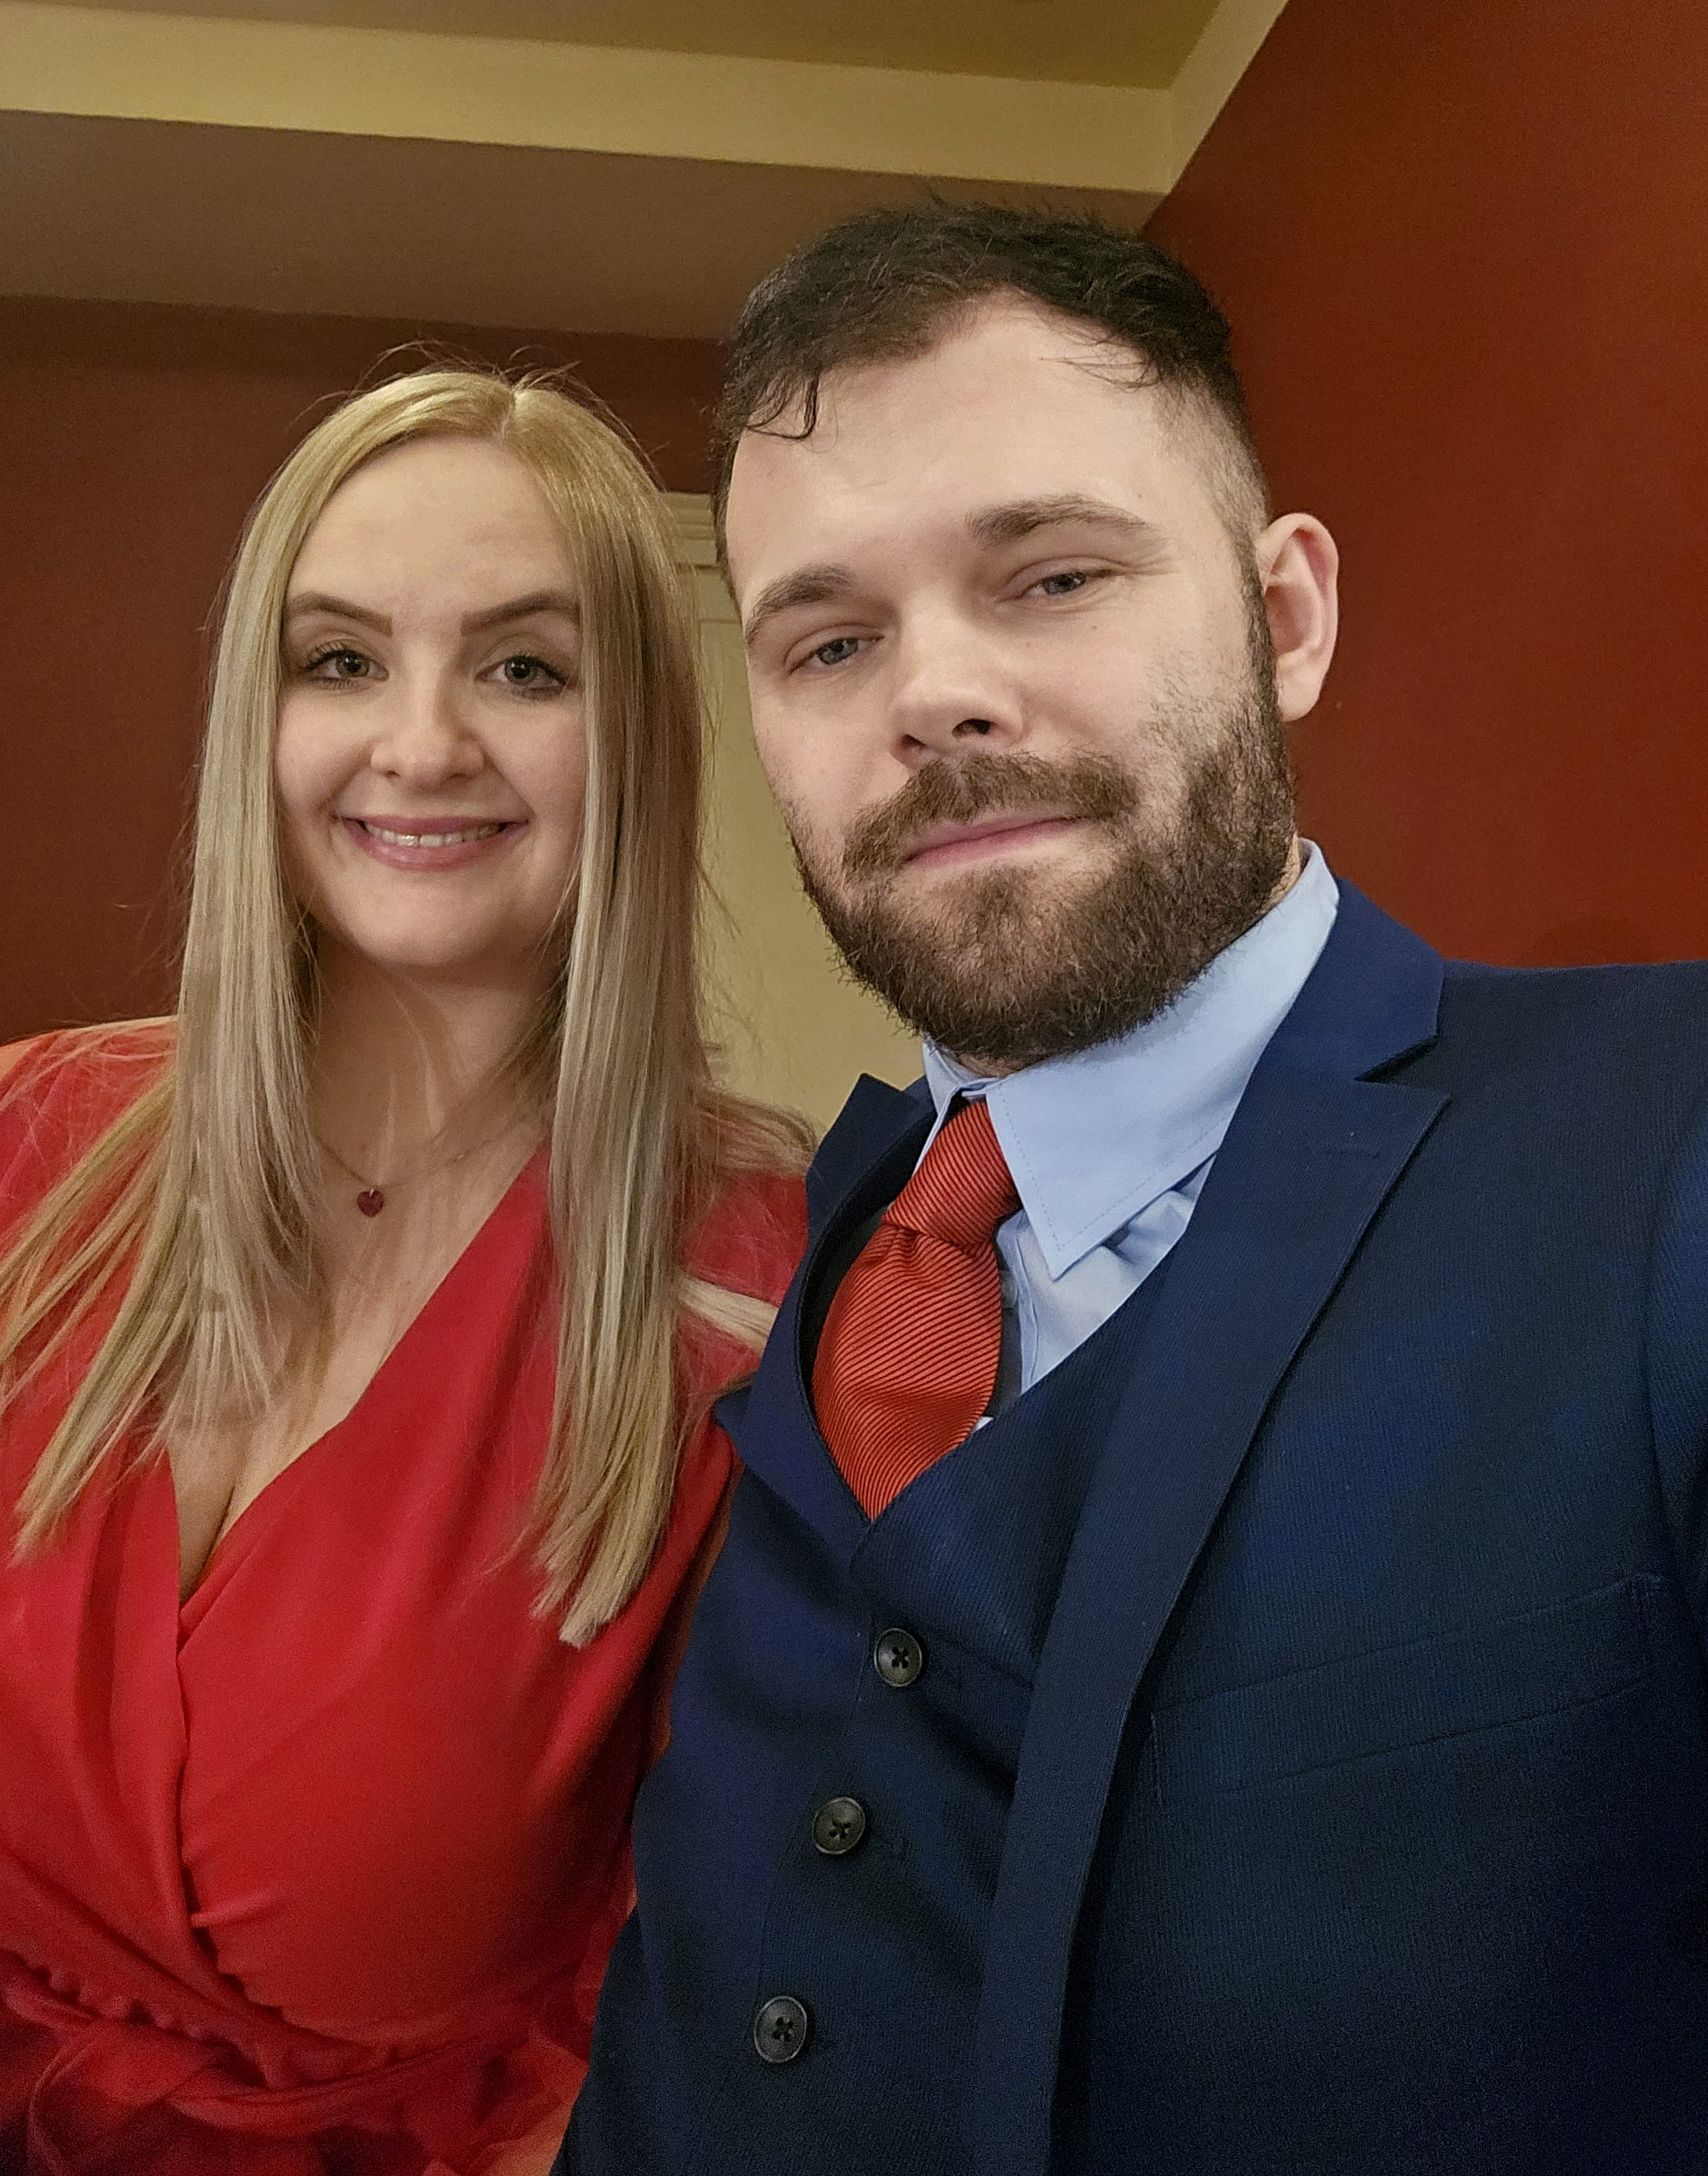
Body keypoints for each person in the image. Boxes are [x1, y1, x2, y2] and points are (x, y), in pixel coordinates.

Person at [559, 203, 1708, 2176]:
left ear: (1284, 618)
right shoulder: (818, 1230)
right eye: (829, 639)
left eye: (1054, 574)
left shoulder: (1665, 1148)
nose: (934, 694)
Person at [0, 368, 807, 2173]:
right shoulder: (27, 1132)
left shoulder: (766, 1285)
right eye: (340, 660)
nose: (422, 742)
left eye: (525, 668)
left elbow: (704, 1961)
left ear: (641, 740)